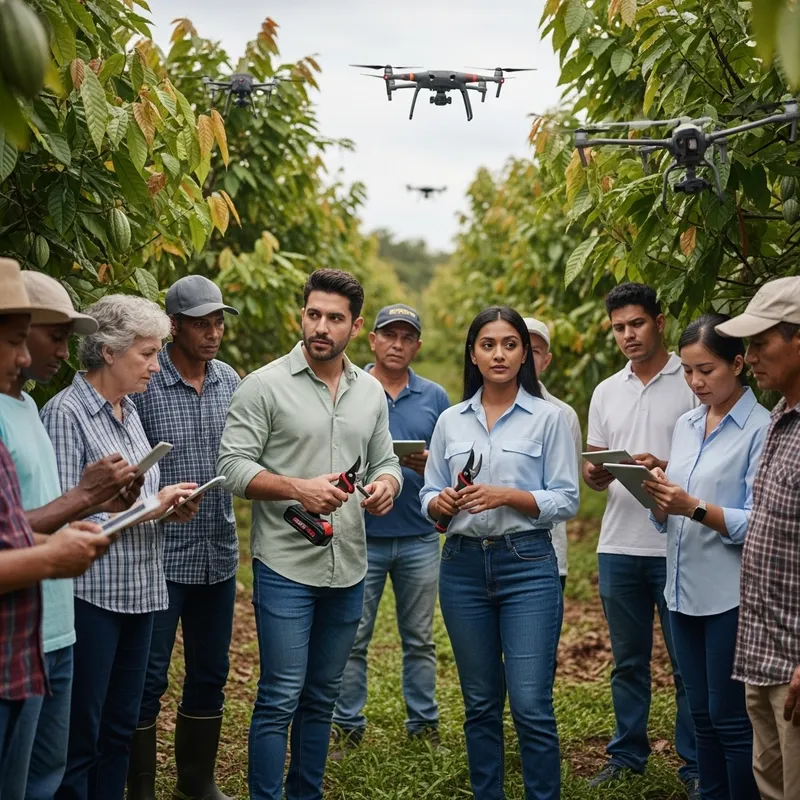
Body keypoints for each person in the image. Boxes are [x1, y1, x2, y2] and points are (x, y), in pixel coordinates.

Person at [217, 269, 403, 800]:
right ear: (302, 314)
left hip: (348, 565)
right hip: (285, 566)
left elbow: (385, 458)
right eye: (313, 314)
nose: (320, 326)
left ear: (356, 325)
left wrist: (387, 483)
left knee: (322, 695)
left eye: (334, 318)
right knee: (279, 695)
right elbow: (231, 467)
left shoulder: (369, 391)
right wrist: (298, 487)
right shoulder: (265, 385)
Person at [41, 294, 202, 800]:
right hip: (92, 595)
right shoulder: (67, 413)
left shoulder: (127, 410)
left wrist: (165, 505)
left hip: (139, 590)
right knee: (81, 736)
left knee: (121, 728)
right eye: (147, 354)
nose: (156, 366)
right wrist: (150, 506)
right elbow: (66, 514)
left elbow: (127, 496)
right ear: (109, 352)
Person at [420, 306, 579, 800]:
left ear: (524, 354)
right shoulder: (450, 420)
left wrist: (508, 495)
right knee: (481, 703)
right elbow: (429, 494)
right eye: (488, 344)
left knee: (531, 704)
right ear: (473, 353)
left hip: (527, 564)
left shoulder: (550, 418)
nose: (499, 354)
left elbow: (567, 498)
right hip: (462, 566)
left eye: (510, 344)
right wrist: (439, 501)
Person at [1, 272, 146, 800]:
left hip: (52, 624)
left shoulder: (25, 408)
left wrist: (103, 504)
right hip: (21, 630)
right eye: (47, 336)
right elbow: (17, 527)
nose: (64, 351)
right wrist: (82, 499)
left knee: (46, 775)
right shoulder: (53, 410)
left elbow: (27, 517)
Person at [643, 314, 768, 800]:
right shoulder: (687, 425)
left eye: (707, 370)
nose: (695, 382)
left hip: (729, 594)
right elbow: (674, 512)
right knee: (700, 716)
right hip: (681, 590)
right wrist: (660, 501)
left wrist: (692, 507)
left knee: (731, 719)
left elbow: (759, 522)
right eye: (689, 371)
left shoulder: (762, 429)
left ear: (738, 364)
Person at [583, 282, 699, 794]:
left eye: (636, 324)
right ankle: (626, 754)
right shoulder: (607, 390)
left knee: (685, 662)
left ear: (660, 320)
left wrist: (663, 465)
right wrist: (601, 472)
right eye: (619, 328)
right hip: (619, 544)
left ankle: (694, 762)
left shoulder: (692, 379)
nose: (628, 335)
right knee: (628, 662)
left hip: (680, 543)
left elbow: (713, 461)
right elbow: (592, 466)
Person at [128, 276, 240, 800]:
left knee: (210, 672)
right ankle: (141, 786)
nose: (213, 332)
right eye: (201, 323)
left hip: (217, 552)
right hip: (162, 557)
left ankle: (196, 781)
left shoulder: (229, 381)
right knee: (148, 678)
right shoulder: (148, 383)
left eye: (218, 321)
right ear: (175, 326)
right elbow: (133, 466)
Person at [331, 303, 450, 756]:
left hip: (419, 535)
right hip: (361, 535)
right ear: (372, 339)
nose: (397, 345)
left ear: (417, 345)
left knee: (419, 638)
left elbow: (450, 462)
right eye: (389, 335)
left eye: (407, 337)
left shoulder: (435, 397)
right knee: (353, 637)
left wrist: (429, 462)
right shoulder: (350, 388)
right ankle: (347, 727)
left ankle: (423, 725)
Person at [716, 277, 800, 800]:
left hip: (795, 661)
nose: (748, 358)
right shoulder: (778, 418)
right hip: (764, 653)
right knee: (772, 785)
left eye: (760, 343)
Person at [523, 317, 581, 591]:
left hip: (547, 553)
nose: (525, 357)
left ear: (546, 361)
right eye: (519, 346)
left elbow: (567, 493)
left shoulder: (563, 415)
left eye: (535, 351)